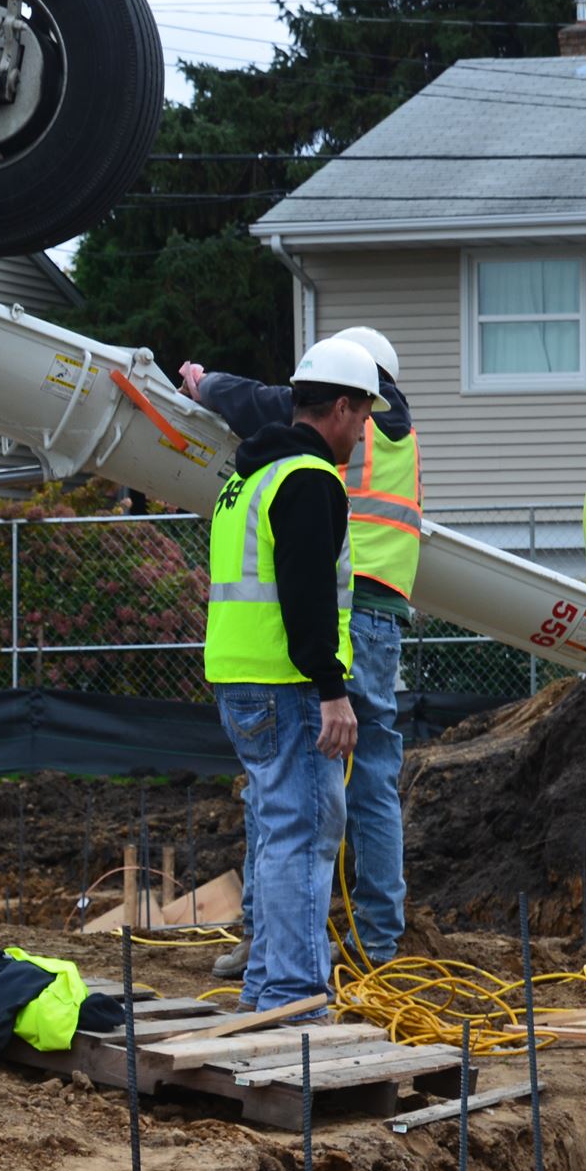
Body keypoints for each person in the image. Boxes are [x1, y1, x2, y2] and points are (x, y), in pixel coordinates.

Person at [184, 326, 420, 976]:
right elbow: (305, 582)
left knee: (283, 808)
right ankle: (329, 964)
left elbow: (250, 399)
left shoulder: (257, 468)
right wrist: (327, 682)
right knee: (328, 804)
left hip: (279, 646)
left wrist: (202, 383)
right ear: (350, 400)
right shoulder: (316, 463)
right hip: (333, 625)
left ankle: (271, 954)